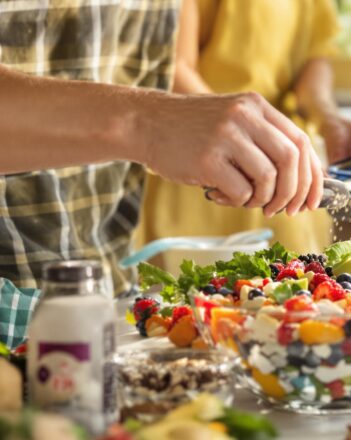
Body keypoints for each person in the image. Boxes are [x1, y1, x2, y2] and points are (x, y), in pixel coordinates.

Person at [0, 1, 321, 347]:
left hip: (106, 304)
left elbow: (168, 72)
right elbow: (153, 114)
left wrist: (243, 139)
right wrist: (148, 123)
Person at [136, 0, 351, 252]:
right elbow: (174, 66)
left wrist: (329, 121)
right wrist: (239, 135)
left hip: (288, 169)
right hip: (202, 175)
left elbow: (315, 58)